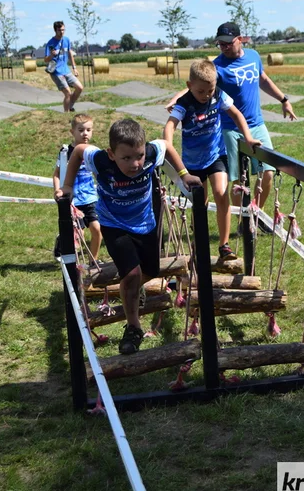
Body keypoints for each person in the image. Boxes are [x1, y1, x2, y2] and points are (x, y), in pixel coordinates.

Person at [58, 118, 202, 355]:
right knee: (132, 274)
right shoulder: (101, 160)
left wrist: (184, 174)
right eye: (126, 158)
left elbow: (167, 144)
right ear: (111, 154)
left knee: (150, 271)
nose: (135, 164)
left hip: (144, 223)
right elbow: (78, 152)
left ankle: (131, 289)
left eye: (139, 156)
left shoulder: (152, 153)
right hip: (113, 223)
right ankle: (133, 327)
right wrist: (68, 187)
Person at [167, 22, 297, 230]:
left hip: (256, 123)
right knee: (237, 181)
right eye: (220, 44)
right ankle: (242, 222)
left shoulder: (253, 56)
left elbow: (263, 79)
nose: (224, 47)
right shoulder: (217, 66)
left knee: (268, 172)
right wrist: (176, 98)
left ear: (240, 39)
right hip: (228, 129)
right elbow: (199, 86)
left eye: (228, 43)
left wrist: (284, 99)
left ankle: (255, 216)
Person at [163, 58, 261, 260]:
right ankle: (199, 244)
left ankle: (224, 246)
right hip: (192, 163)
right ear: (189, 86)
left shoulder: (218, 95)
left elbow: (236, 115)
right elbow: (171, 124)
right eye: (201, 92)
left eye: (210, 90)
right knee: (201, 203)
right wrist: (168, 144)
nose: (206, 96)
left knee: (221, 192)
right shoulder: (185, 104)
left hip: (216, 155)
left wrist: (248, 138)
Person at [53, 113, 102, 265]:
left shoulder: (93, 152)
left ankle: (93, 261)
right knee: (77, 235)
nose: (85, 133)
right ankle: (64, 246)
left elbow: (99, 173)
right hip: (73, 200)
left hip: (91, 198)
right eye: (80, 130)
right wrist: (57, 191)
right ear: (72, 132)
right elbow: (56, 174)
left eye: (88, 130)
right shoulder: (65, 152)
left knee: (97, 229)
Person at [44, 21, 83, 112]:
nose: (62, 32)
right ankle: (66, 114)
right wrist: (51, 55)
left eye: (63, 30)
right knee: (68, 93)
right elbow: (46, 60)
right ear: (55, 30)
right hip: (56, 71)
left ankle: (70, 105)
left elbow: (70, 53)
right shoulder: (50, 43)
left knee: (79, 87)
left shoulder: (66, 40)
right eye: (59, 30)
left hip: (66, 70)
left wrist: (74, 68)